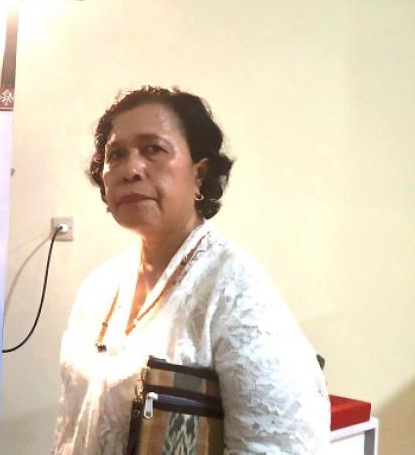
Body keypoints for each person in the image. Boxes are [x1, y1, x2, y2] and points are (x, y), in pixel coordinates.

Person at [53, 87, 330, 454]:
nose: (130, 169)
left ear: (200, 173)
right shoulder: (98, 287)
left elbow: (282, 446)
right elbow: (70, 430)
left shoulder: (234, 288)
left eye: (153, 149)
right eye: (116, 154)